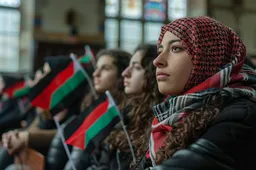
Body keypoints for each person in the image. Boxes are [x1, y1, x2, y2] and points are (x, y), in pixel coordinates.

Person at [140, 16, 256, 170]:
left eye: (176, 48)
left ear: (209, 56)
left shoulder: (242, 114)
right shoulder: (170, 114)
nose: (157, 60)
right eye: (160, 50)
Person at [45, 49, 132, 170]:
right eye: (97, 68)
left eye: (105, 68)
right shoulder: (92, 104)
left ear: (122, 73)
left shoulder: (128, 112)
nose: (96, 74)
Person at [83, 44, 163, 170]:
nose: (125, 73)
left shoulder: (160, 120)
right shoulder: (129, 114)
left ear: (153, 73)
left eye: (136, 67)